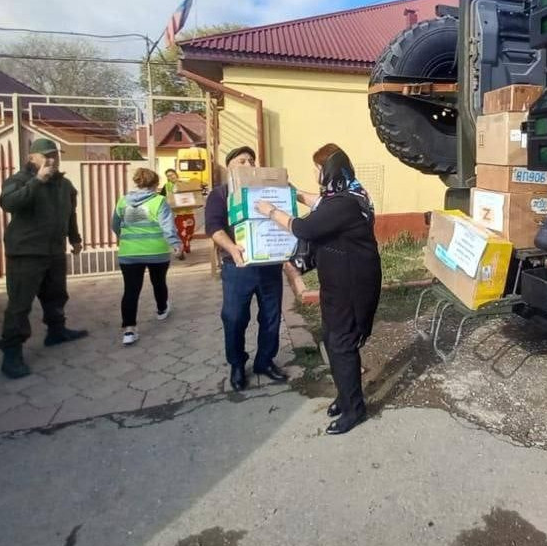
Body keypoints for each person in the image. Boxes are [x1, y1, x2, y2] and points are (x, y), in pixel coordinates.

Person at [257, 143, 381, 435]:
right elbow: (318, 203)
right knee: (332, 338)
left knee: (342, 344)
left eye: (317, 168)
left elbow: (304, 229)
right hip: (338, 282)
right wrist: (293, 192)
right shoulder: (344, 194)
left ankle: (355, 410)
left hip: (352, 286)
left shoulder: (345, 203)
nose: (315, 172)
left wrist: (271, 210)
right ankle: (345, 394)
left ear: (329, 170)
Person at [0, 137, 88, 379]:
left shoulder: (64, 185)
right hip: (26, 252)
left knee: (56, 295)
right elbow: (8, 203)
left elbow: (70, 214)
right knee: (20, 304)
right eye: (46, 156)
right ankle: (11, 352)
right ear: (32, 158)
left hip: (54, 250)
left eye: (55, 155)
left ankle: (56, 331)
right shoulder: (20, 180)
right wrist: (38, 181)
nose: (51, 160)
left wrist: (75, 238)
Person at [205, 146, 288, 391]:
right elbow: (214, 228)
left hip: (269, 265)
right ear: (230, 167)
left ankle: (265, 361)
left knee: (271, 316)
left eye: (252, 160)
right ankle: (237, 364)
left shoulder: (266, 193)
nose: (249, 165)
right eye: (242, 161)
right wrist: (231, 247)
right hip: (237, 267)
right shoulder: (220, 195)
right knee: (235, 317)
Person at [112, 168, 183, 346]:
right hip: (156, 252)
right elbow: (167, 226)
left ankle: (129, 330)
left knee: (131, 290)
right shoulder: (159, 201)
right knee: (158, 282)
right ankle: (161, 310)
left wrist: (125, 237)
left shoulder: (123, 201)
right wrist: (175, 244)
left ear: (137, 182)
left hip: (129, 254)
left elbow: (115, 224)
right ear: (155, 184)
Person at [160, 168, 195, 259]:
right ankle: (182, 250)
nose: (171, 177)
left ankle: (187, 244)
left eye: (172, 175)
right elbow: (161, 198)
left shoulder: (185, 184)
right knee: (181, 232)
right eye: (168, 176)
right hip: (177, 214)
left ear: (176, 174)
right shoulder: (167, 186)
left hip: (188, 212)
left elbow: (194, 194)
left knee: (190, 232)